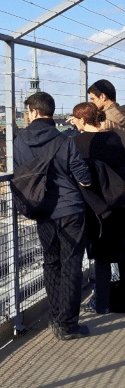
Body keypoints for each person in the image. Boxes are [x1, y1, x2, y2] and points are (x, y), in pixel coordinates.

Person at [14, 92, 92, 340]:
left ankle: (54, 317)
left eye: (28, 112)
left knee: (51, 263)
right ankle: (67, 325)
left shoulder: (18, 141)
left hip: (42, 211)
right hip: (70, 211)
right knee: (71, 265)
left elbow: (19, 175)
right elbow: (84, 178)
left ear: (34, 112)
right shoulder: (65, 140)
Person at [71, 102, 125, 314]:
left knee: (101, 259)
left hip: (94, 208)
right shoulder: (113, 139)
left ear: (83, 120)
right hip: (118, 204)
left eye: (76, 118)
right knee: (122, 254)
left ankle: (102, 304)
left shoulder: (76, 143)